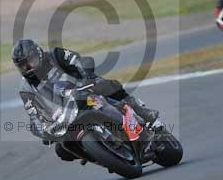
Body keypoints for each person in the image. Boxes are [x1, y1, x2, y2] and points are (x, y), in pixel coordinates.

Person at [12, 39, 160, 161]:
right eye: (22, 66)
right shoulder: (26, 88)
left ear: (38, 53)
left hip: (85, 88)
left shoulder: (55, 55)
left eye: (29, 61)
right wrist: (43, 131)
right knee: (62, 150)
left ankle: (145, 114)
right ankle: (99, 156)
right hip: (65, 114)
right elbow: (33, 113)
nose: (27, 67)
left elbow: (76, 60)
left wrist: (86, 75)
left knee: (110, 88)